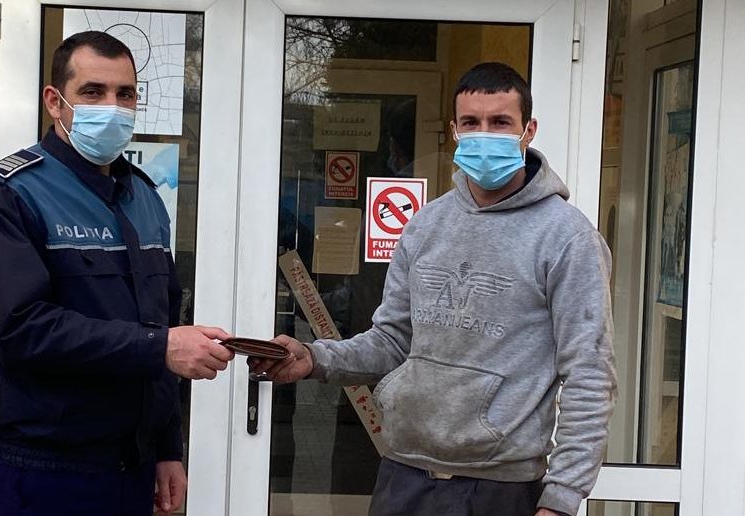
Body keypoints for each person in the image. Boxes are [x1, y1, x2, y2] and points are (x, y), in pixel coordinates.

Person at [251, 62, 616, 516]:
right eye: (471, 123)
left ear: (529, 131)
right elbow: (392, 341)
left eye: (500, 122)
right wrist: (314, 358)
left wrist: (561, 498)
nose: (484, 135)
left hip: (499, 488)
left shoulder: (568, 238)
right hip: (403, 475)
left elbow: (589, 374)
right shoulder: (426, 225)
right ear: (454, 131)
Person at [0, 31, 235, 516]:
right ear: (55, 101)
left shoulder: (144, 197)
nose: (113, 107)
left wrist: (167, 447)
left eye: (125, 94)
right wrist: (160, 347)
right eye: (93, 92)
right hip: (46, 472)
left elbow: (161, 321)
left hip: (132, 470)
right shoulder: (9, 194)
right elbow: (19, 330)